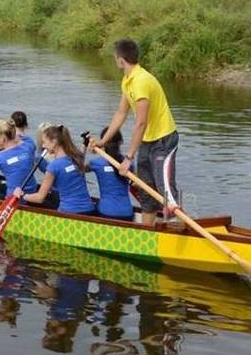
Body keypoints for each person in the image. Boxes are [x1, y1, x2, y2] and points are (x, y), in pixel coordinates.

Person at [91, 38, 179, 226]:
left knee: (165, 190)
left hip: (163, 140)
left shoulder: (141, 81)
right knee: (145, 189)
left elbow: (141, 123)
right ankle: (147, 232)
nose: (115, 61)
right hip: (147, 141)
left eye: (115, 58)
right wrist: (103, 141)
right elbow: (121, 113)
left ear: (121, 60)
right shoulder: (127, 81)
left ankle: (175, 229)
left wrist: (128, 158)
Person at [14, 126, 93, 214]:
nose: (43, 146)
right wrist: (85, 143)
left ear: (54, 142)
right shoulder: (77, 158)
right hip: (89, 209)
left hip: (69, 212)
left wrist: (22, 195)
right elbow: (81, 152)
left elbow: (39, 198)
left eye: (44, 142)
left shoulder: (53, 166)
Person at [88, 127, 134, 221]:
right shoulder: (128, 164)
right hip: (127, 213)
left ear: (102, 144)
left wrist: (86, 146)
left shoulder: (96, 163)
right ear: (121, 142)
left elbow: (77, 169)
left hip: (106, 212)